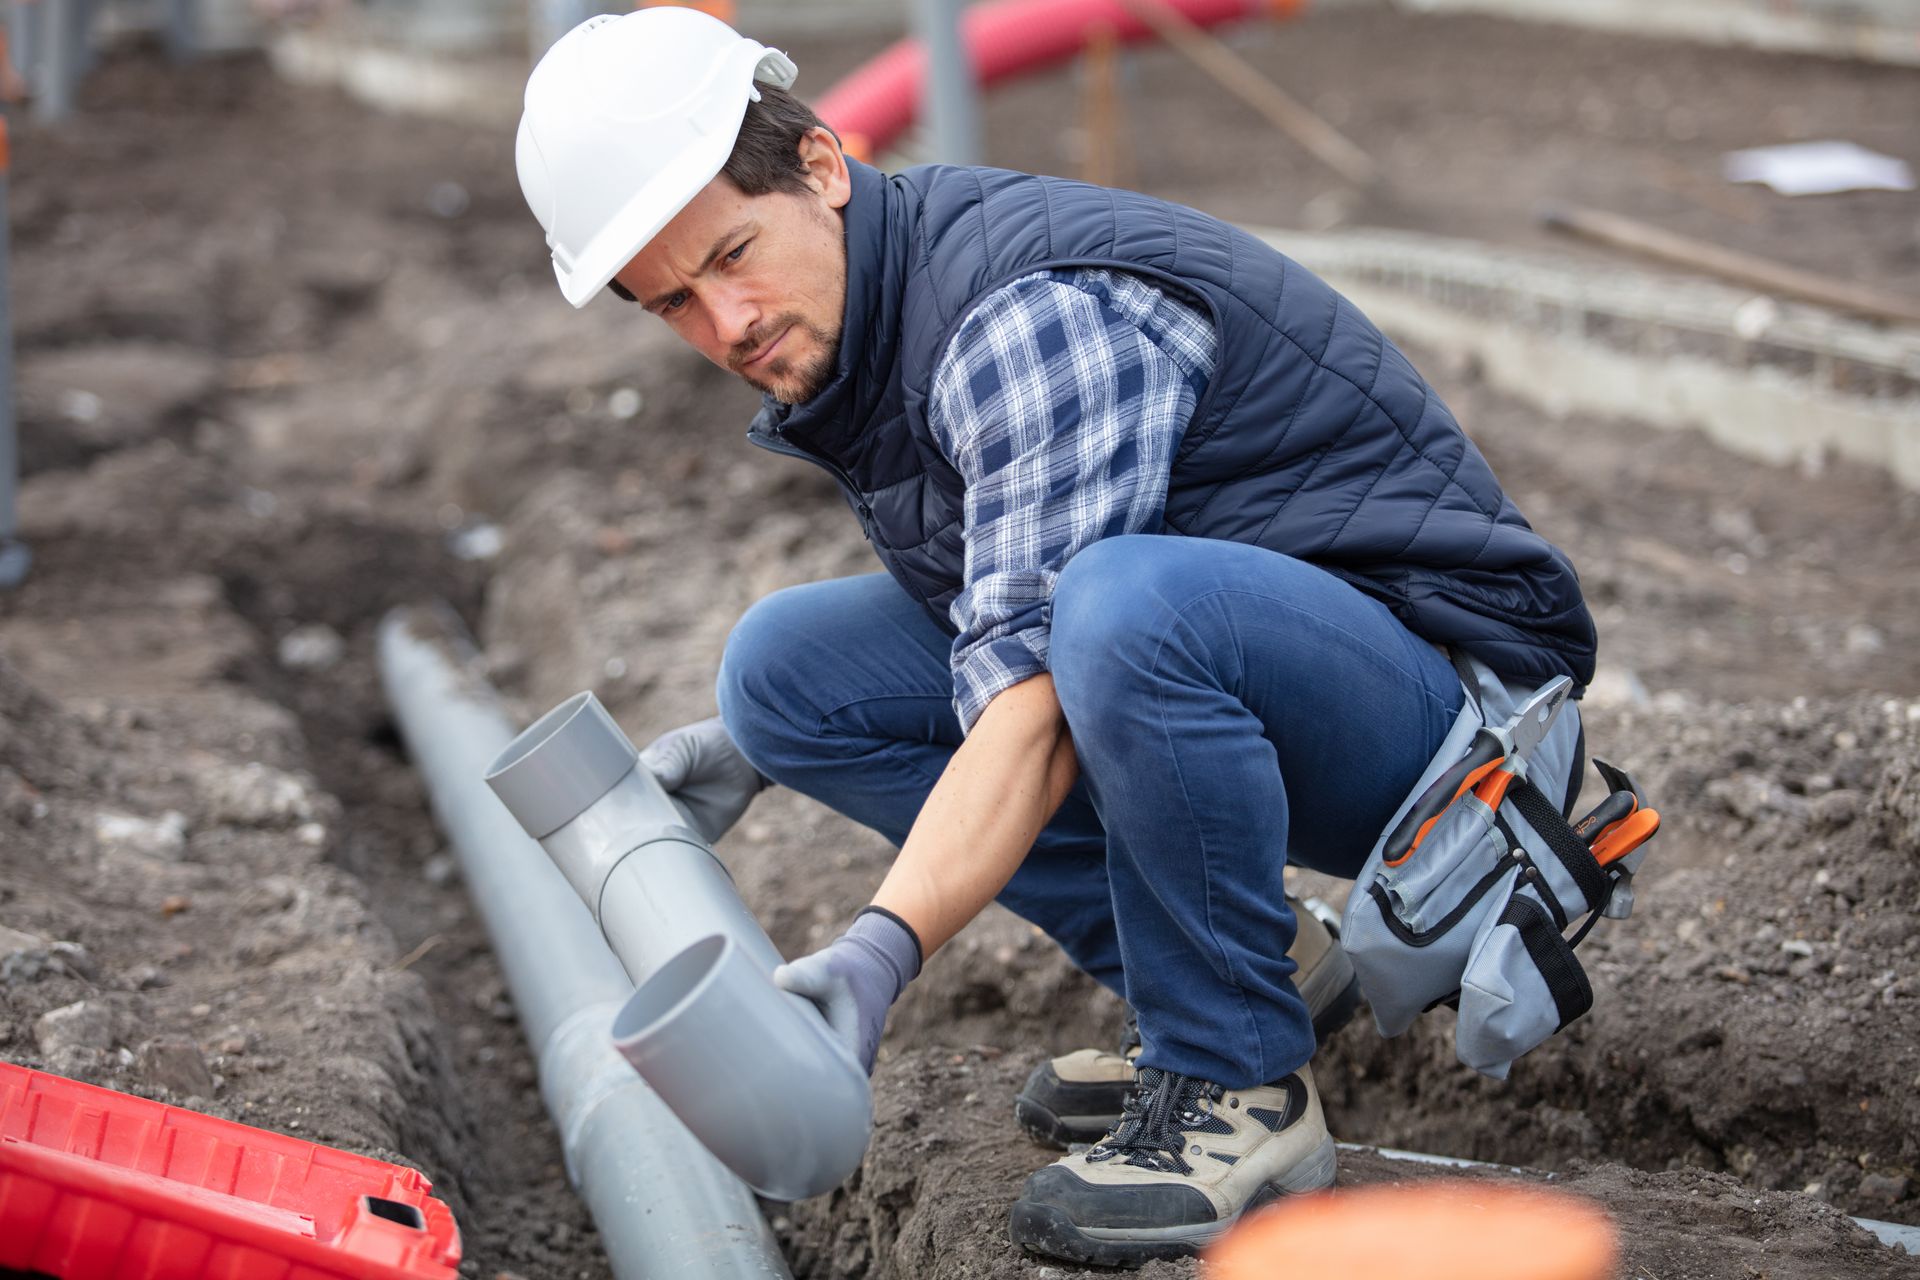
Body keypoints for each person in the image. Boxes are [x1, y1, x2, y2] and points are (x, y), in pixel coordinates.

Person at [516, 9, 1595, 1267]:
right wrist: (760, 745)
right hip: (1256, 659)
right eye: (675, 305)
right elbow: (996, 615)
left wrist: (875, 956)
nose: (728, 323)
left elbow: (1039, 692)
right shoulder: (868, 318)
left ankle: (1238, 1078)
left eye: (734, 255)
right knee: (784, 674)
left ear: (820, 165)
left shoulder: (1017, 319)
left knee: (1117, 610)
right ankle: (1260, 967)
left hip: (1450, 720)